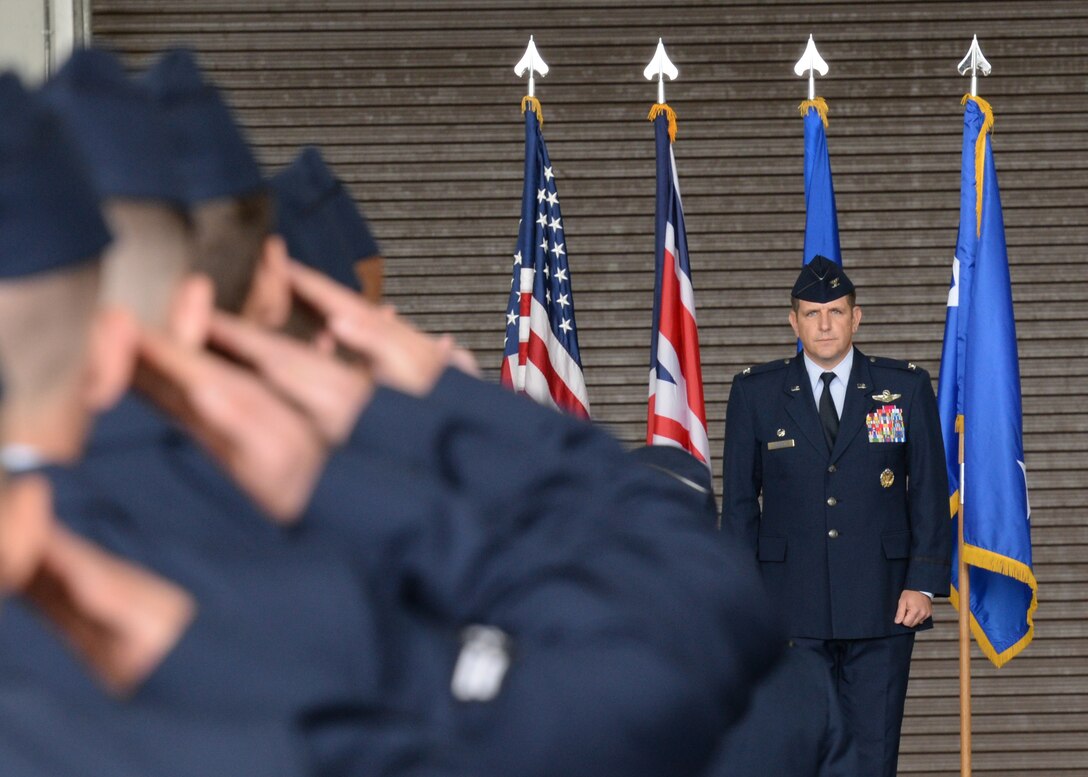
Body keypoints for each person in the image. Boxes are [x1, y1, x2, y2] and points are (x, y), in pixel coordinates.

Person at [721, 255, 951, 777]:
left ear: (856, 317)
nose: (824, 324)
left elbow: (930, 491)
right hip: (788, 609)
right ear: (793, 322)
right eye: (811, 313)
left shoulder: (905, 388)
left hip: (883, 602)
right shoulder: (755, 393)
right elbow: (738, 504)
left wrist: (923, 582)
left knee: (873, 755)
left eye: (835, 312)